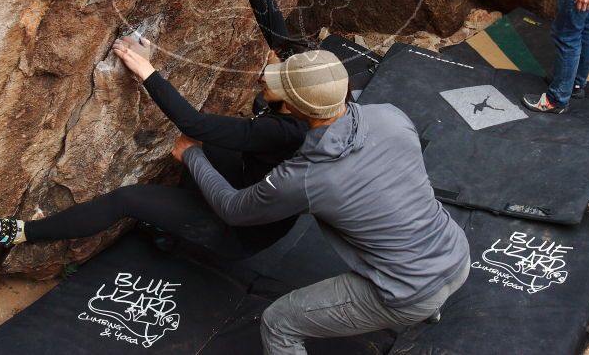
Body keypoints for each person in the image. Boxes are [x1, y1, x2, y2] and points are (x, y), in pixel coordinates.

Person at [0, 0, 310, 258]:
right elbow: (278, 35)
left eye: (273, 75)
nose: (264, 73)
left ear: (290, 96)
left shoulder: (284, 131)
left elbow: (191, 124)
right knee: (209, 144)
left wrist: (145, 68)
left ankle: (21, 233)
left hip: (239, 229)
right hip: (249, 185)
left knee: (129, 199)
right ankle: (173, 227)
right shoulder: (316, 94)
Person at [174, 50, 470, 354]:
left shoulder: (304, 177)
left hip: (409, 294)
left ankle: (422, 306)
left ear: (289, 108)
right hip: (457, 256)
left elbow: (233, 210)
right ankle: (430, 306)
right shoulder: (389, 115)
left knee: (278, 322)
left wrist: (193, 155)